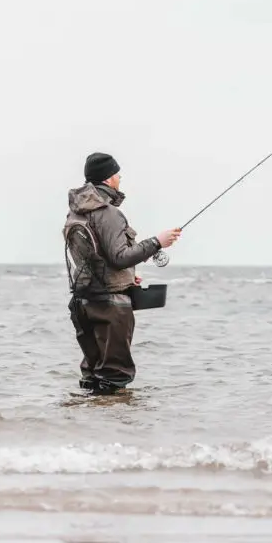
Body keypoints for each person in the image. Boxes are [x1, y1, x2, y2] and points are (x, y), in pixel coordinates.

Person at [62, 152, 181, 394]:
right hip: (110, 304)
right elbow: (119, 257)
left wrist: (127, 277)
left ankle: (84, 426)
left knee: (92, 374)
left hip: (84, 301)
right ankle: (113, 429)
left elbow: (95, 257)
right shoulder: (108, 213)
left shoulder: (76, 211)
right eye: (117, 174)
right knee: (115, 376)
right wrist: (157, 242)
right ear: (107, 179)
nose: (119, 178)